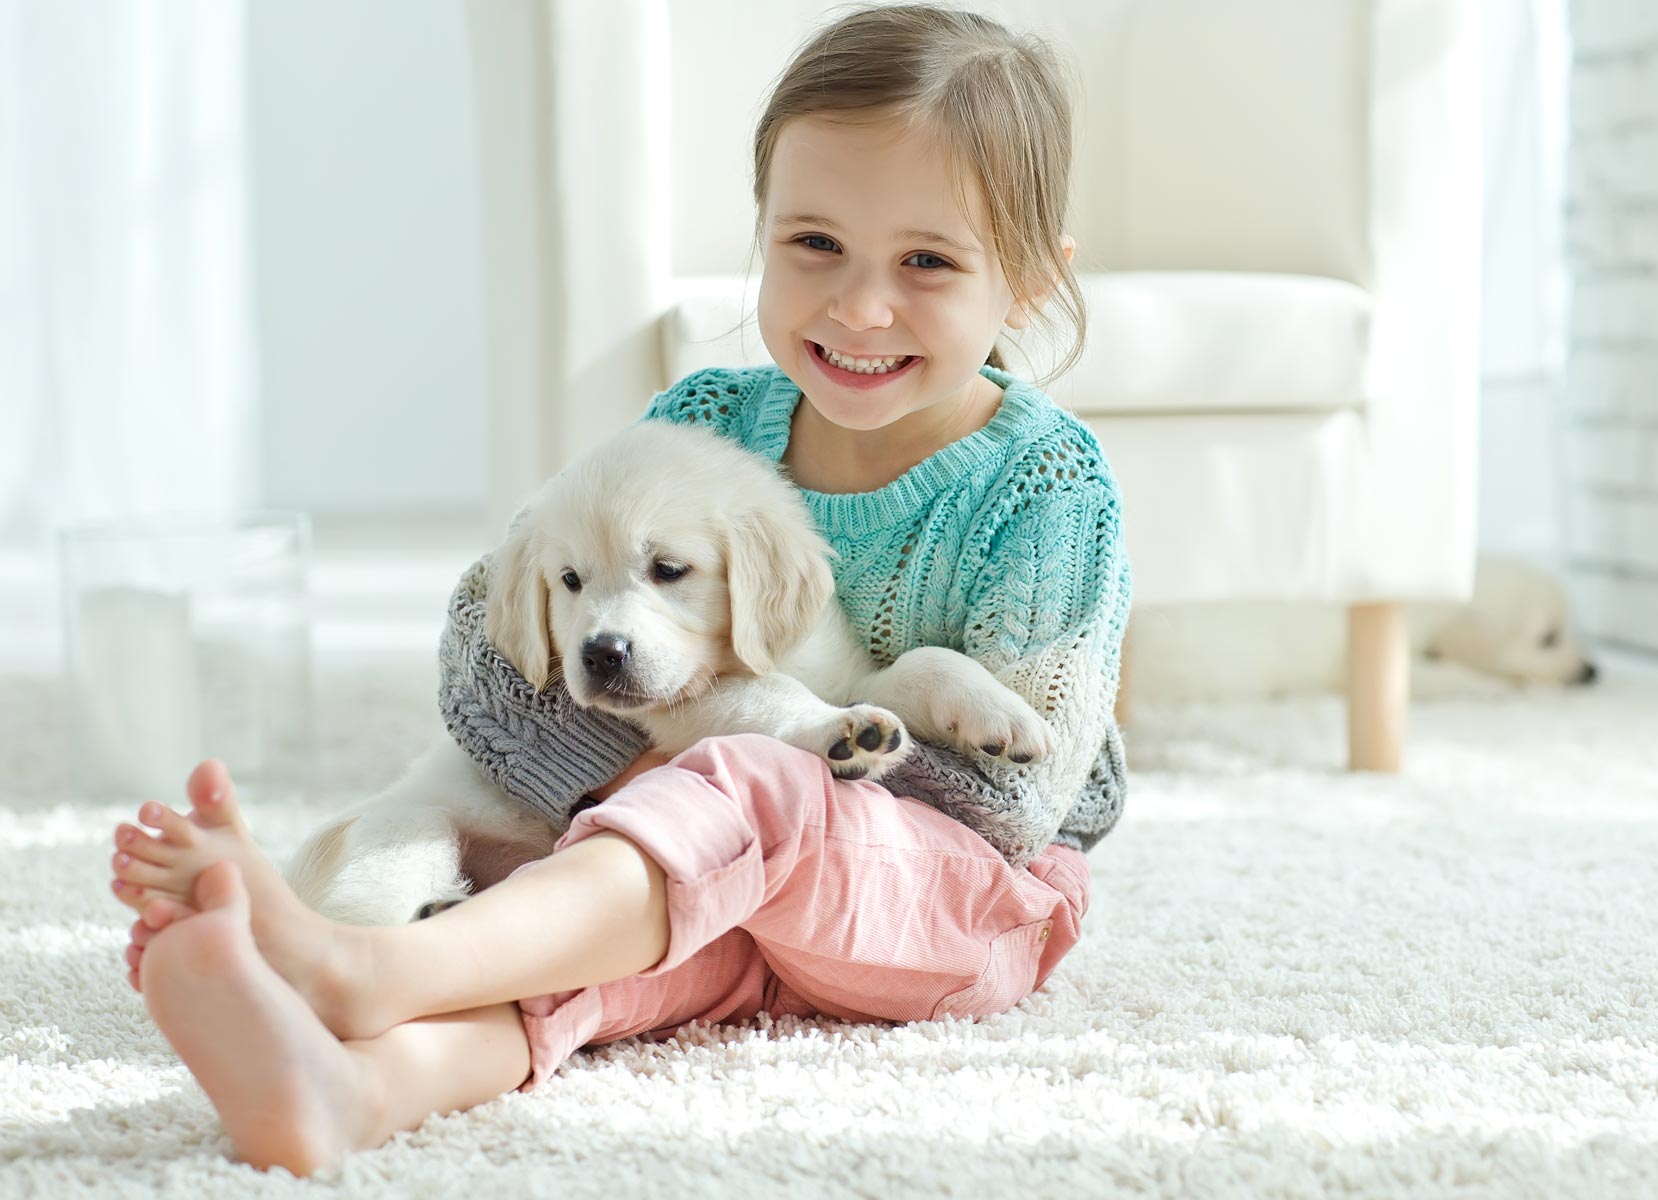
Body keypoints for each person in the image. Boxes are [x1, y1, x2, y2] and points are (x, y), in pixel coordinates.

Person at [106, 3, 1131, 1177]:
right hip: (716, 888)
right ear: (761, 231)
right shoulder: (709, 423)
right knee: (616, 949)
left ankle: (364, 967)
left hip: (956, 912)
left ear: (1030, 283)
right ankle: (351, 1084)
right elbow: (485, 646)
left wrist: (731, 757)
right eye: (813, 245)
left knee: (737, 786)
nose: (859, 306)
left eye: (928, 262)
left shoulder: (1046, 486)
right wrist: (625, 787)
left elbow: (1019, 807)